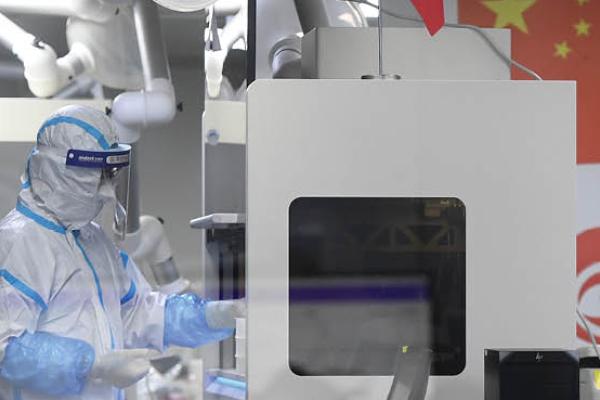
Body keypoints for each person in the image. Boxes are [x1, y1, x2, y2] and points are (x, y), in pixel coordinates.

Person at [0, 105, 244, 399]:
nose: (106, 191)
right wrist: (92, 365)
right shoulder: (18, 243)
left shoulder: (93, 241)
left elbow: (137, 312)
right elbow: (5, 347)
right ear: (57, 171)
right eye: (94, 175)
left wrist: (214, 316)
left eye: (109, 174)